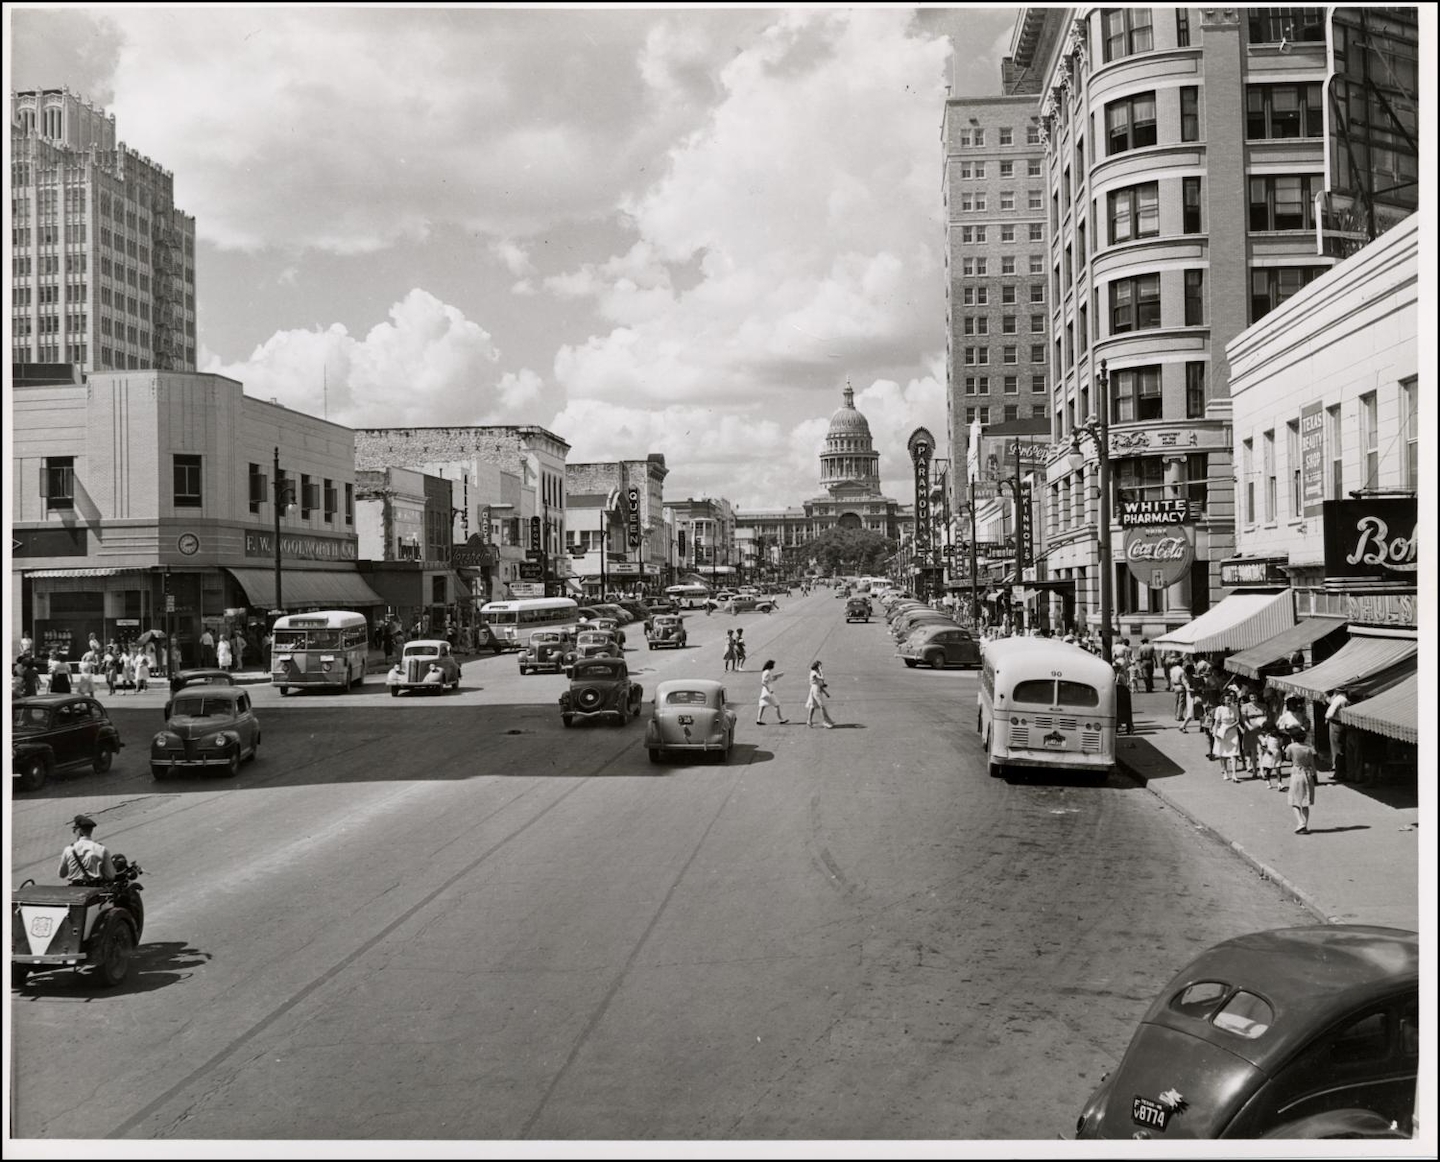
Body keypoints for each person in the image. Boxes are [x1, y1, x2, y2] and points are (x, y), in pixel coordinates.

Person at [58, 814, 116, 883]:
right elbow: (110, 876)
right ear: (91, 831)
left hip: (75, 889)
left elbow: (61, 874)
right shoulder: (101, 849)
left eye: (74, 831)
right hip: (94, 889)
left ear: (79, 831)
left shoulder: (68, 850)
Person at [1285, 728, 1318, 834]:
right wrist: (1314, 776)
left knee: (1294, 801)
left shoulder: (1291, 747)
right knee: (1305, 802)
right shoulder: (1308, 748)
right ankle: (1305, 825)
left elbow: (1287, 757)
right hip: (1307, 774)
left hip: (1296, 773)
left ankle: (1300, 823)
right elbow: (1312, 764)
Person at [1211, 692, 1242, 781]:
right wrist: (1215, 732)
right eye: (1227, 700)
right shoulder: (1219, 709)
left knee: (1234, 753)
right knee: (1223, 752)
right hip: (1222, 730)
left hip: (1232, 730)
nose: (1229, 702)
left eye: (1230, 700)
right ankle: (1225, 772)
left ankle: (1234, 774)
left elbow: (1237, 721)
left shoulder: (1235, 708)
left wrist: (1230, 727)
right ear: (1223, 700)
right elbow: (1217, 722)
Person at [1238, 690, 1269, 778]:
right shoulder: (1245, 707)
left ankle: (1262, 771)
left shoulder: (1263, 706)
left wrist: (1264, 722)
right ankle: (1255, 770)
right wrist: (1248, 726)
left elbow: (1266, 716)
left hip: (1260, 729)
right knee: (1253, 751)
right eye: (1252, 697)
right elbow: (1244, 718)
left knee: (1261, 750)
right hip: (1250, 729)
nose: (1254, 699)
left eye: (1255, 697)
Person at [1325, 688, 1351, 782]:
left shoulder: (1338, 699)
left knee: (1336, 749)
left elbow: (1330, 713)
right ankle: (1343, 771)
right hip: (1343, 724)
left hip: (1335, 724)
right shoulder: (1346, 699)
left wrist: (1327, 717)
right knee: (1342, 748)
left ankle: (1338, 771)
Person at [755, 660, 788, 725]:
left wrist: (777, 676)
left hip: (764, 692)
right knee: (776, 705)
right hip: (768, 692)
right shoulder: (767, 672)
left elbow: (770, 679)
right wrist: (769, 689)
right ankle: (781, 719)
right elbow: (763, 682)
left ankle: (758, 719)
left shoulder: (766, 672)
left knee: (762, 706)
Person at [805, 660, 836, 729]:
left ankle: (809, 721)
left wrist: (826, 693)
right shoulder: (813, 672)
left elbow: (820, 684)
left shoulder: (816, 672)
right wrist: (821, 671)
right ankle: (826, 722)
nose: (821, 667)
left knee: (813, 706)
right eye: (820, 666)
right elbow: (821, 678)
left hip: (816, 690)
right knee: (822, 706)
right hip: (815, 690)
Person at [1258, 724, 1285, 791]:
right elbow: (1262, 746)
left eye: (1275, 730)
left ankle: (1279, 783)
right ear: (1269, 731)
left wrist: (1282, 753)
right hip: (1270, 755)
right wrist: (1267, 750)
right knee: (1269, 770)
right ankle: (1268, 781)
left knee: (1278, 769)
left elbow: (1280, 746)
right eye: (1272, 731)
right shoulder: (1267, 738)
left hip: (1277, 755)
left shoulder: (1279, 738)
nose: (1274, 732)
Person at [1114, 664, 1134, 735]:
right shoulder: (1121, 676)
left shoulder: (1114, 676)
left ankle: (1117, 726)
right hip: (1122, 695)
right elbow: (1125, 685)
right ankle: (1129, 727)